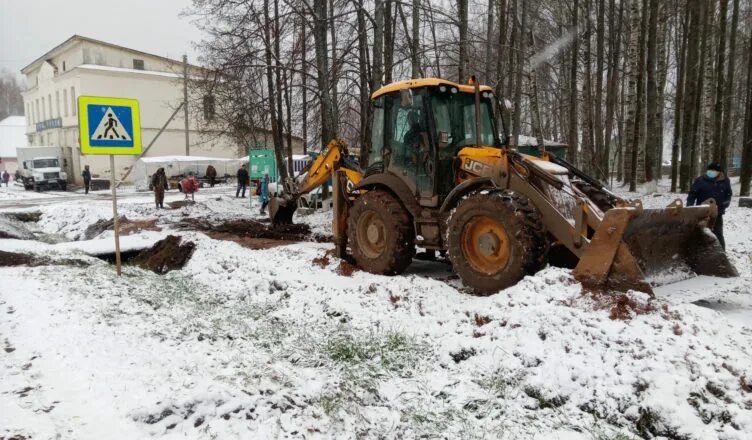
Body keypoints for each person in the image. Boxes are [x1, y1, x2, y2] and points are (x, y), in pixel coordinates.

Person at [687, 161, 732, 249]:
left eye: (714, 170)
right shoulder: (700, 180)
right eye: (710, 170)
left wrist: (723, 205)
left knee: (718, 233)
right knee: (700, 232)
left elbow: (728, 194)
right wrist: (690, 206)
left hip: (717, 214)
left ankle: (721, 253)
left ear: (719, 172)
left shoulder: (725, 181)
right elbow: (692, 193)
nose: (711, 172)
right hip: (701, 212)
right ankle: (698, 252)